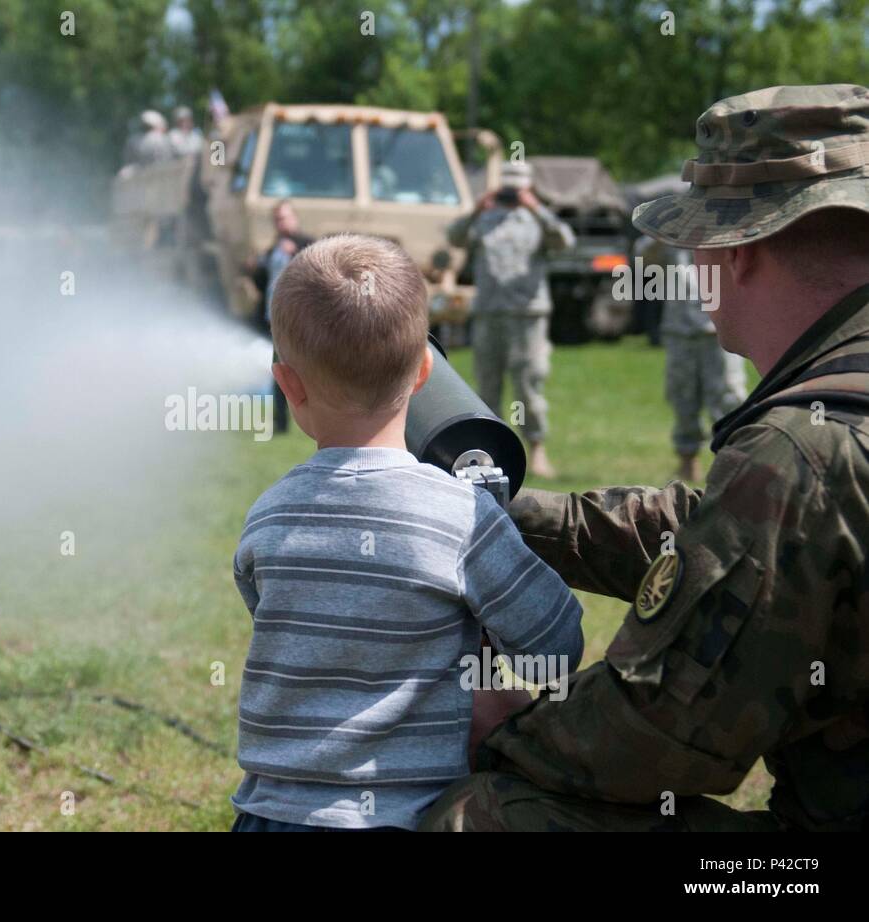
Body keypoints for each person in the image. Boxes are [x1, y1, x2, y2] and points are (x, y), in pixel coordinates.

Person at [421, 84, 869, 832]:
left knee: (481, 818)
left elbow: (657, 733)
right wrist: (503, 516)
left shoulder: (801, 449)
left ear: (743, 246)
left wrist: (502, 725)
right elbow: (717, 527)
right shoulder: (826, 425)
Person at [230, 234, 583, 831]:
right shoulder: (463, 518)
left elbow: (290, 616)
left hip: (268, 815)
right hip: (403, 815)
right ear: (426, 371)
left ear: (288, 387)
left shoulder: (268, 515)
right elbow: (557, 648)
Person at [448, 161, 575, 478]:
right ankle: (490, 454)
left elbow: (565, 242)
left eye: (518, 185)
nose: (512, 191)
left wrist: (538, 211)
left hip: (527, 315)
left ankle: (537, 449)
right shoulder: (485, 220)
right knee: (487, 388)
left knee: (528, 385)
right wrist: (476, 210)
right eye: (507, 184)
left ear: (528, 187)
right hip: (489, 314)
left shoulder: (538, 221)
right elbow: (454, 237)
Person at [642, 238, 748, 480]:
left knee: (728, 396)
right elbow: (644, 258)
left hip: (720, 328)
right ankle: (687, 459)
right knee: (682, 396)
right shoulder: (672, 232)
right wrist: (663, 232)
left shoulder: (725, 229)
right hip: (680, 330)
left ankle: (733, 462)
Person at [247, 200, 314, 433]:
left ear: (294, 218)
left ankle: (302, 420)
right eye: (277, 219)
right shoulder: (273, 248)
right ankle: (281, 422)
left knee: (296, 372)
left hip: (298, 320)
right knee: (278, 372)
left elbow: (319, 274)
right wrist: (254, 267)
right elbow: (261, 283)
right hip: (273, 319)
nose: (281, 223)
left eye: (285, 217)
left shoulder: (307, 243)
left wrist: (296, 253)